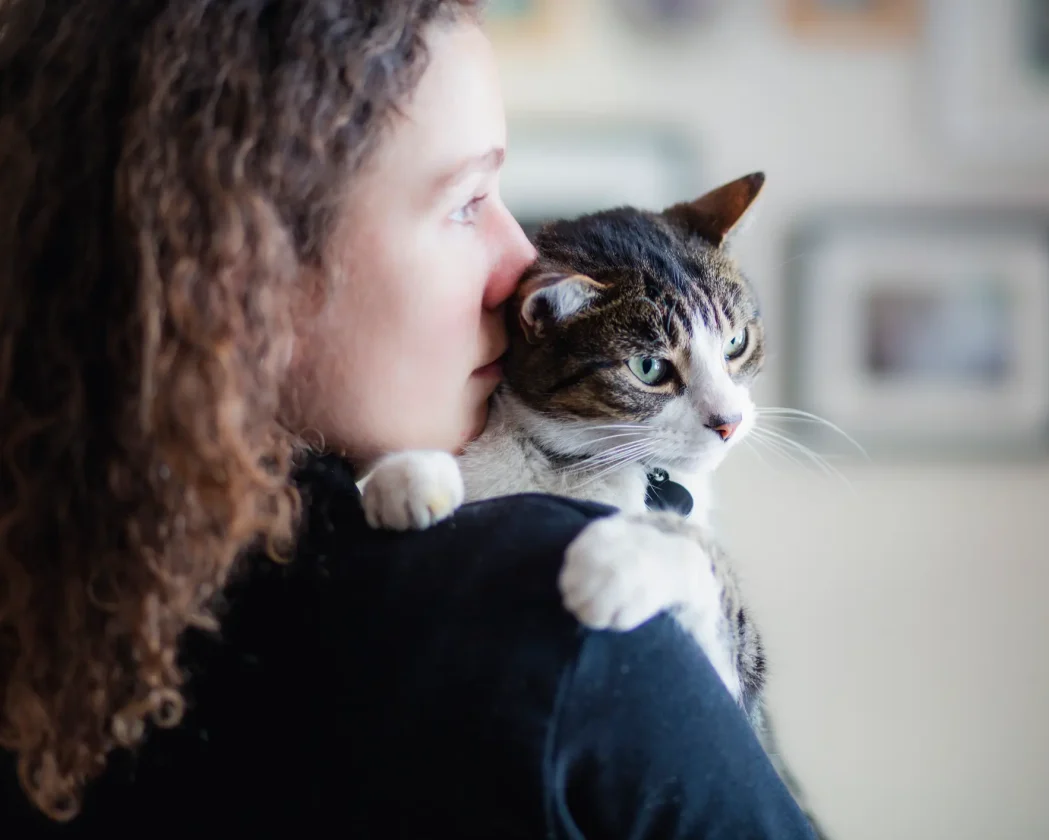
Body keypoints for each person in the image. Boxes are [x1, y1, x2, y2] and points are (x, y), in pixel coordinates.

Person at [0, 1, 819, 836]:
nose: (520, 260)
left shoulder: (53, 624)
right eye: (467, 202)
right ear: (246, 265)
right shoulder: (573, 621)